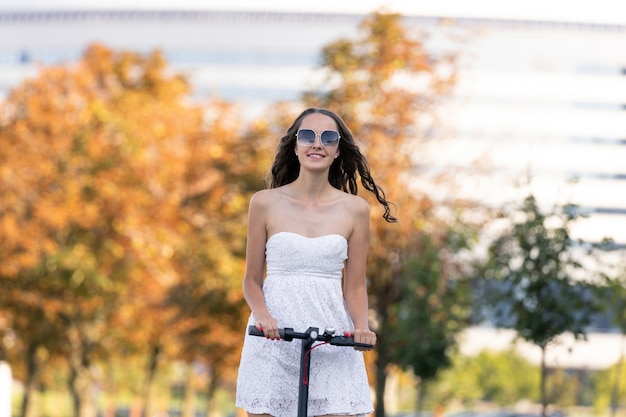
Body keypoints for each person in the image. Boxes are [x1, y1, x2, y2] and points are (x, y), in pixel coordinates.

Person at [235, 108, 396, 417]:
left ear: (337, 150)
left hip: (330, 335)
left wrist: (361, 327)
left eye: (328, 138)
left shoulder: (356, 211)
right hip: (273, 336)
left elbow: (355, 287)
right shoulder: (264, 203)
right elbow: (251, 279)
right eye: (307, 136)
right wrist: (263, 316)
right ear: (295, 146)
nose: (317, 144)